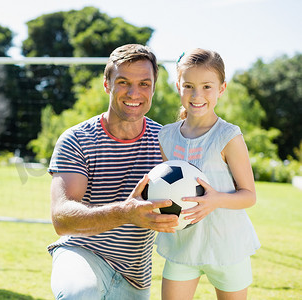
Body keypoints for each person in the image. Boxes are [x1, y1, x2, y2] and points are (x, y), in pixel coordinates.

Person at [47, 44, 179, 299]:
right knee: (81, 294)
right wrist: (125, 213)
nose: (134, 92)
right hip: (82, 253)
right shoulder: (77, 139)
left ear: (153, 87)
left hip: (135, 275)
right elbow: (61, 219)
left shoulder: (167, 141)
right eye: (123, 82)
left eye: (144, 83)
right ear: (107, 84)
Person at [155, 49, 261, 300]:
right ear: (178, 86)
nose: (197, 95)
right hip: (182, 246)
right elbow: (166, 190)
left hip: (226, 247)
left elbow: (249, 196)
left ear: (222, 88)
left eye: (206, 86)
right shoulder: (166, 136)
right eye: (188, 86)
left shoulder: (228, 136)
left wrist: (214, 200)